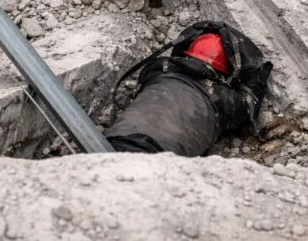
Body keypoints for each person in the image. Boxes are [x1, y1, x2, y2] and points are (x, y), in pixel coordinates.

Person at [104, 21, 272, 156]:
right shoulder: (223, 97)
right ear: (223, 71)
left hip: (111, 143)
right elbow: (248, 104)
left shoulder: (158, 70)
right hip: (158, 158)